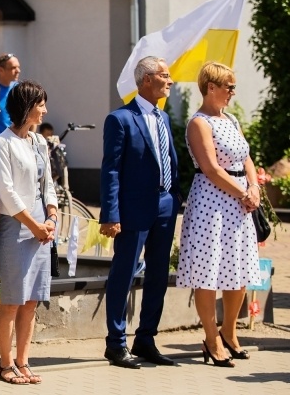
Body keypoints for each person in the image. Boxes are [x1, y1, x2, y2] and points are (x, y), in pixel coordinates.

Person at [99, 56, 181, 369]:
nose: (170, 81)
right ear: (146, 80)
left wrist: (174, 198)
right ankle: (116, 343)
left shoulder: (162, 118)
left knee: (159, 274)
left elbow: (169, 160)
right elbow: (111, 170)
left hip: (165, 205)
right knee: (124, 272)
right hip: (133, 209)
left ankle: (146, 339)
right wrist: (111, 213)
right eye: (165, 75)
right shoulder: (120, 119)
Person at [177, 62, 260, 367]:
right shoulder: (199, 123)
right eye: (229, 87)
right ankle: (211, 338)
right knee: (208, 272)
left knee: (238, 270)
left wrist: (253, 186)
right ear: (211, 87)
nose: (232, 93)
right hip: (212, 204)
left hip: (239, 202)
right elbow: (211, 168)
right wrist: (243, 192)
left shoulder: (232, 119)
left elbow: (246, 156)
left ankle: (230, 332)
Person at [0, 80, 58, 385]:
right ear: (26, 107)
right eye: (40, 104)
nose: (44, 110)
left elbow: (48, 184)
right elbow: (5, 191)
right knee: (11, 300)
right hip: (16, 226)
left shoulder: (38, 142)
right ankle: (5, 364)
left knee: (31, 299)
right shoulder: (2, 142)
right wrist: (34, 225)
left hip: (41, 227)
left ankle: (23, 360)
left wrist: (52, 216)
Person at [0, 53, 21, 138]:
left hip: (15, 141)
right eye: (13, 68)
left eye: (18, 67)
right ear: (1, 70)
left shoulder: (19, 89)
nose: (18, 70)